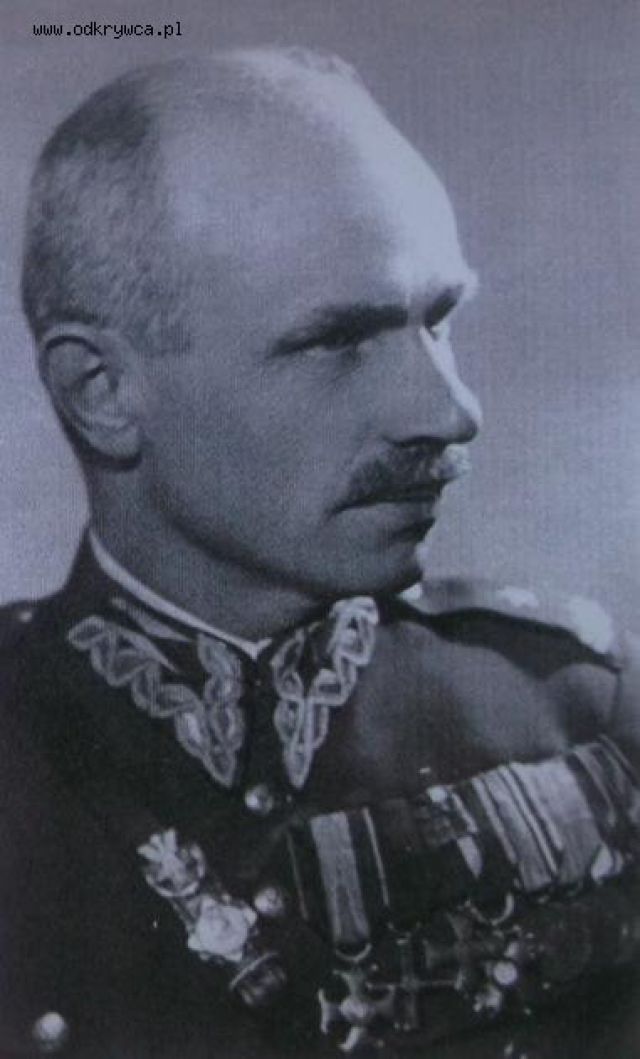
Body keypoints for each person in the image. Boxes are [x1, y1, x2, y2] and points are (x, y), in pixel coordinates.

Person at [1, 46, 639, 1059]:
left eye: (439, 320)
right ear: (102, 392)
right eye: (336, 342)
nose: (451, 411)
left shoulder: (572, 705)